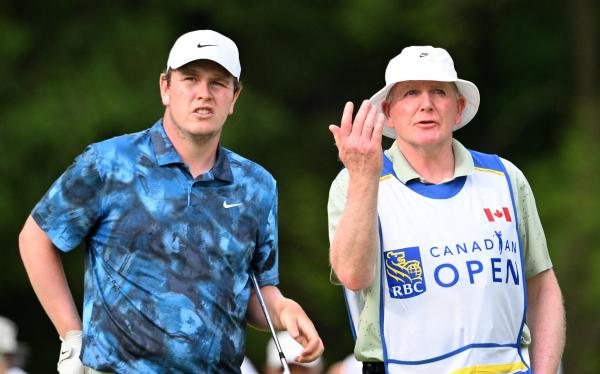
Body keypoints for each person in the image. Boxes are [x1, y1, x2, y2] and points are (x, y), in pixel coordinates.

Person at [18, 29, 323, 373]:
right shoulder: (109, 163)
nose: (203, 94)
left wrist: (284, 311)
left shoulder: (256, 186)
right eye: (190, 79)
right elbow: (36, 238)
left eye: (218, 83)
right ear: (165, 87)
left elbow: (255, 291)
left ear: (234, 97)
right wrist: (72, 336)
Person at [327, 46, 565, 373]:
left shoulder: (505, 178)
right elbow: (353, 276)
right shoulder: (357, 179)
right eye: (411, 93)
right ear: (388, 112)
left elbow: (541, 285)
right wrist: (364, 176)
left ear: (458, 108)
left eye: (439, 92)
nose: (426, 104)